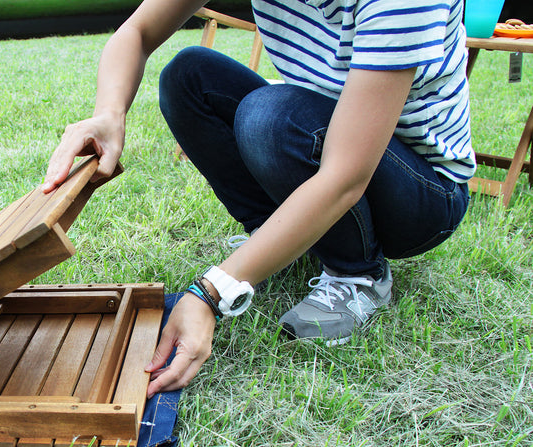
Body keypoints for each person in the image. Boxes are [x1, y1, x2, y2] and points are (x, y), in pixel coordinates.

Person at [42, 0, 474, 398]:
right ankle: (281, 239)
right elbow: (136, 31)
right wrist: (108, 113)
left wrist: (212, 292)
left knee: (270, 118)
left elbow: (346, 176)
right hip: (326, 129)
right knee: (188, 76)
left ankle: (357, 272)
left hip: (423, 192)